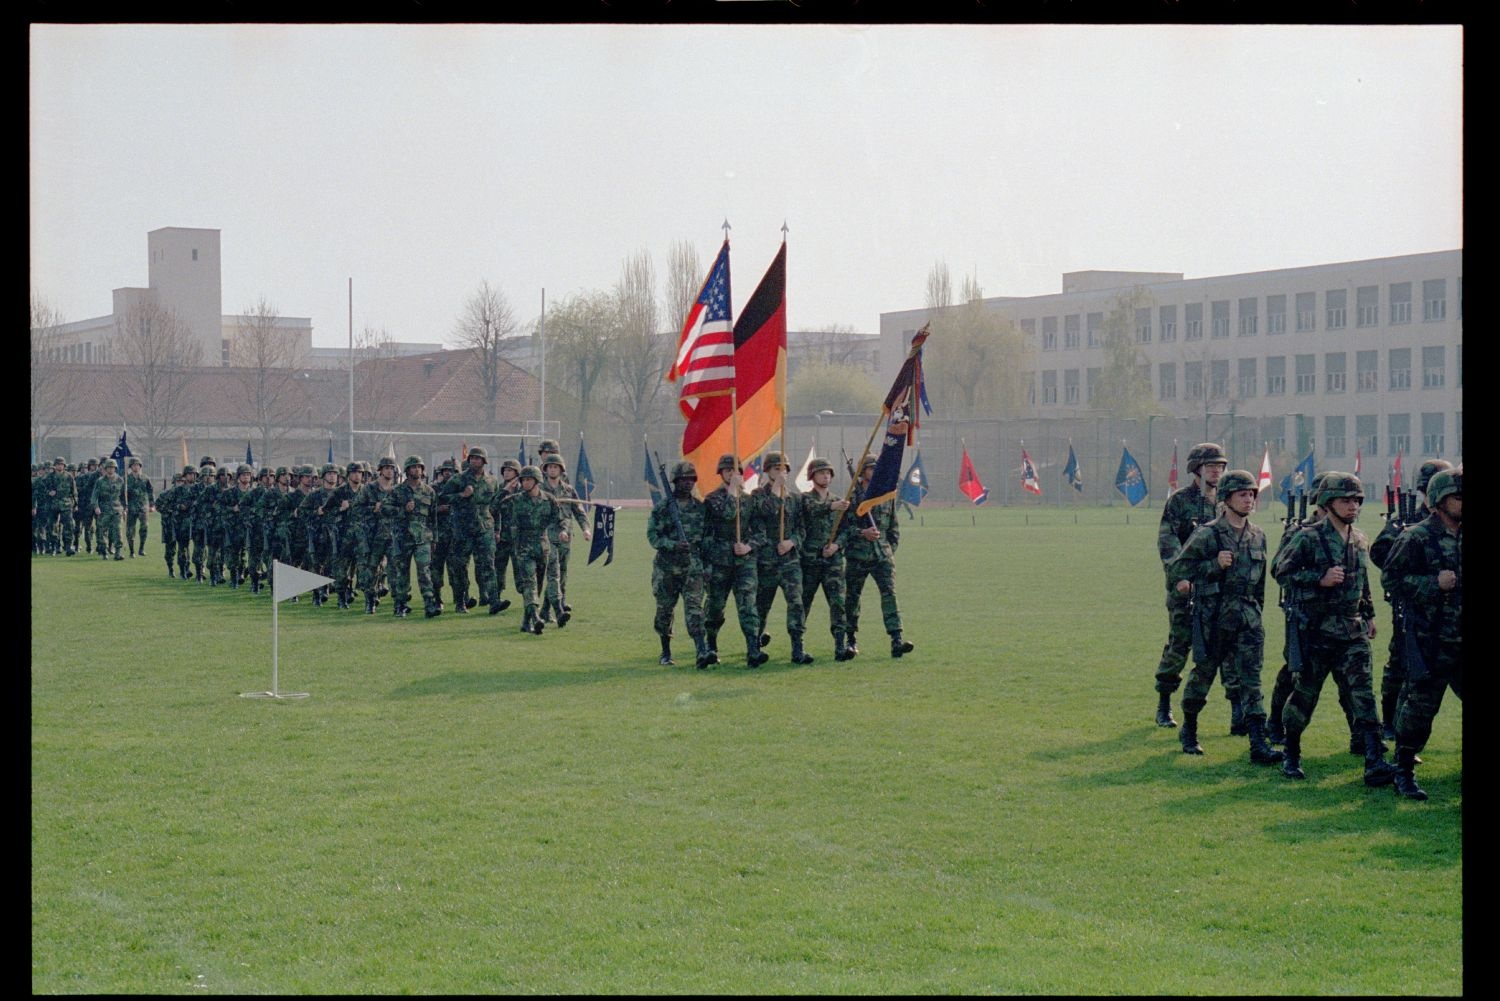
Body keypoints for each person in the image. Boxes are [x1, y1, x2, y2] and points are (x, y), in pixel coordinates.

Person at [1271, 472, 1395, 785]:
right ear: (1328, 503)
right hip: (1316, 631)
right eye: (1345, 500)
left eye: (1356, 500)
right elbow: (1280, 571)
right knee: (1304, 696)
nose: (1352, 506)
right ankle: (1292, 753)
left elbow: (1362, 581)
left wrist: (1368, 614)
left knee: (1363, 695)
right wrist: (1318, 578)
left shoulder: (1360, 538)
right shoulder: (1308, 536)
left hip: (1351, 631)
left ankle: (1374, 760)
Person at [1167, 470, 1282, 763]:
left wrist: (1256, 612)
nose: (1249, 499)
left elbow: (1260, 586)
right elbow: (1179, 573)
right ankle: (1190, 730)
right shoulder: (1207, 534)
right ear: (1226, 498)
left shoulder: (1258, 536)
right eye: (1242, 494)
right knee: (1203, 675)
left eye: (1252, 494)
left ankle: (1258, 743)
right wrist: (1213, 566)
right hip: (1213, 618)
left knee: (1251, 681)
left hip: (1247, 620)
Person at [1382, 468, 1462, 800]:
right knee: (1419, 710)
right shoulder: (1415, 537)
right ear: (1440, 500)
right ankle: (1403, 772)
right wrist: (1433, 584)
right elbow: (1392, 580)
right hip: (1430, 640)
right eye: (1458, 497)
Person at [1152, 442, 1238, 729]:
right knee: (1180, 644)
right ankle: (1164, 704)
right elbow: (1168, 542)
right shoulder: (1179, 501)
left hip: (1220, 588)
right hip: (1188, 588)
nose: (1217, 470)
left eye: (1221, 466)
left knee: (1228, 648)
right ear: (1196, 469)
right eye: (1211, 465)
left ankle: (1238, 709)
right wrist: (1180, 578)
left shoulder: (1227, 502)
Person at [1369, 458, 1452, 740]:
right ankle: (1391, 721)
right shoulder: (1408, 521)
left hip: (1448, 616)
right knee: (1400, 665)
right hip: (1412, 608)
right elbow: (1381, 554)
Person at [841, 455, 914, 659]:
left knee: (889, 595)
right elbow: (843, 528)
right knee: (852, 598)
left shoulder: (885, 496)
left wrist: (888, 550)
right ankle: (850, 640)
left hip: (882, 557)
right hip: (858, 556)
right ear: (862, 472)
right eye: (871, 469)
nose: (875, 473)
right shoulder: (852, 497)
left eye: (877, 469)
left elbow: (893, 528)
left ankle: (896, 640)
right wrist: (861, 534)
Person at [701, 454, 767, 667]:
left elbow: (761, 532)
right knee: (715, 606)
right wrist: (732, 492)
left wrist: (748, 546)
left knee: (748, 606)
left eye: (736, 470)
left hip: (744, 562)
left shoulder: (750, 501)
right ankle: (711, 646)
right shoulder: (712, 499)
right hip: (720, 561)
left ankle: (753, 649)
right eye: (728, 471)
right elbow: (728, 514)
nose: (732, 474)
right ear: (721, 474)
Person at [646, 460, 711, 667]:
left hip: (692, 568)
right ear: (674, 481)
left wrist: (706, 566)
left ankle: (701, 651)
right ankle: (665, 651)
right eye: (683, 480)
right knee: (665, 611)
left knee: (695, 610)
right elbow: (653, 536)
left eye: (691, 479)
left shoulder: (700, 508)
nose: (687, 483)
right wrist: (673, 545)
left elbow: (707, 539)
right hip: (667, 568)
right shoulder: (663, 508)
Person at [751, 451, 813, 664]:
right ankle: (755, 646)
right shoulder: (758, 495)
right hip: (766, 561)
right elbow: (766, 511)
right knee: (761, 605)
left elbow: (802, 529)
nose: (781, 472)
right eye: (776, 469)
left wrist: (792, 542)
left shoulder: (795, 498)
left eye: (784, 469)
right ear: (767, 471)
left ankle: (798, 648)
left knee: (796, 603)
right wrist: (776, 489)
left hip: (790, 561)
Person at [799, 457, 851, 661]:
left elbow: (846, 529)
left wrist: (837, 545)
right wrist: (832, 506)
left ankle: (841, 646)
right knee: (803, 604)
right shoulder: (805, 499)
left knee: (838, 604)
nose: (825, 476)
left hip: (833, 562)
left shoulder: (839, 501)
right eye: (821, 473)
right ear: (813, 476)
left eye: (828, 473)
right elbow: (811, 510)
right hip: (810, 561)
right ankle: (798, 646)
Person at [507, 465, 563, 634]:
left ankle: (526, 621)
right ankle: (536, 618)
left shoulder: (550, 500)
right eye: (523, 480)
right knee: (530, 584)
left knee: (537, 586)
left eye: (528, 479)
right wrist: (505, 491)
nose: (525, 483)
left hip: (542, 548)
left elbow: (559, 520)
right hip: (524, 549)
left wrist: (563, 532)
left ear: (537, 481)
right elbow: (494, 507)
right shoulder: (516, 500)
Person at [388, 456, 440, 618]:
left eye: (419, 467)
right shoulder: (397, 491)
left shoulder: (429, 491)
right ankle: (401, 604)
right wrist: (403, 510)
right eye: (413, 467)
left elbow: (433, 517)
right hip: (402, 537)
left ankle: (429, 603)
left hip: (423, 538)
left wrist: (435, 539)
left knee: (425, 572)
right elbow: (384, 509)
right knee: (402, 572)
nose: (416, 470)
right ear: (407, 470)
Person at [541, 454, 590, 620]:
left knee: (562, 575)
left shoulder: (569, 490)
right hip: (547, 537)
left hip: (565, 538)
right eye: (550, 467)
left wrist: (586, 528)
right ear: (546, 470)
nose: (553, 469)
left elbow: (579, 511)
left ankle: (546, 610)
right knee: (553, 573)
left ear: (561, 470)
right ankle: (557, 610)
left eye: (556, 467)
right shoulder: (539, 490)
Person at [89, 459, 125, 560]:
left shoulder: (120, 480)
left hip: (117, 509)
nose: (110, 470)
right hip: (103, 510)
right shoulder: (100, 481)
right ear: (105, 469)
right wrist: (96, 507)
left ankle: (118, 552)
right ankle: (104, 551)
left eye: (112, 468)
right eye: (109, 468)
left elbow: (123, 496)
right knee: (102, 531)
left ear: (115, 469)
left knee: (117, 530)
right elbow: (94, 496)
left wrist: (125, 508)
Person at [122, 456, 154, 557]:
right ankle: (132, 551)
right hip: (131, 507)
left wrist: (152, 505)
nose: (135, 467)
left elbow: (150, 491)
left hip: (142, 506)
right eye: (133, 465)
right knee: (130, 529)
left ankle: (141, 548)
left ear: (140, 466)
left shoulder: (145, 478)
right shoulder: (126, 479)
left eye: (137, 465)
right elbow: (122, 494)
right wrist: (124, 506)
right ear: (130, 467)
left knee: (144, 527)